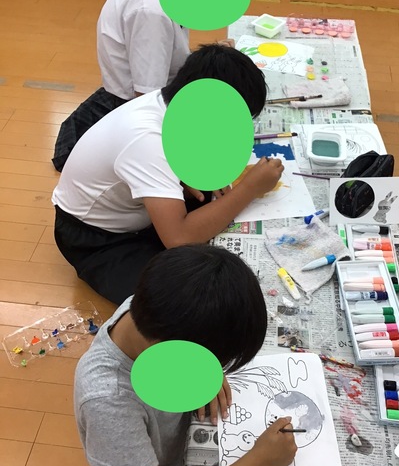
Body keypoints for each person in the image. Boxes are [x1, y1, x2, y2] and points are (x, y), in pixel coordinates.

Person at [60, 244, 297, 466]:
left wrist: (202, 371)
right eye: (209, 362)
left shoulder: (153, 311)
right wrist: (260, 460)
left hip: (169, 460)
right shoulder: (108, 399)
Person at [52, 44, 284, 305]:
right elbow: (179, 239)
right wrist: (250, 188)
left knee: (210, 195)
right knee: (178, 300)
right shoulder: (148, 140)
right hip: (96, 238)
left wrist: (184, 176)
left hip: (135, 211)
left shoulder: (167, 102)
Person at [52, 0, 258, 171]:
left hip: (148, 87)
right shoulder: (152, 10)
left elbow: (167, 53)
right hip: (132, 105)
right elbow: (147, 101)